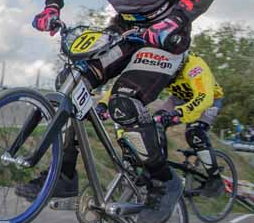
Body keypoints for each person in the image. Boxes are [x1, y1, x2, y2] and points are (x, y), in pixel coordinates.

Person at [23, 0, 225, 223]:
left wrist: (176, 19)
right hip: (126, 31)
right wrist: (52, 7)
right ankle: (64, 176)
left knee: (124, 103)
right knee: (72, 84)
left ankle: (163, 183)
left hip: (164, 38)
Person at [97, 52, 227, 196]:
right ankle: (159, 168)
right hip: (178, 98)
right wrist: (103, 104)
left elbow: (204, 97)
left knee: (194, 132)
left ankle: (215, 179)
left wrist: (180, 112)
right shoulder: (162, 64)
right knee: (155, 124)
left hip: (209, 100)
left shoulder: (195, 67)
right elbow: (126, 86)